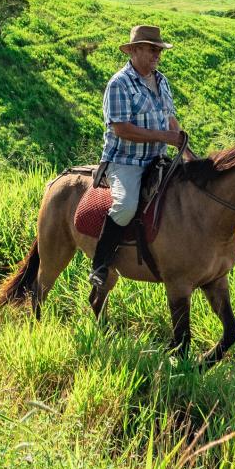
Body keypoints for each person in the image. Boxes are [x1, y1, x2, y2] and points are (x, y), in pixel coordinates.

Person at [88, 25, 194, 289]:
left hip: (158, 159)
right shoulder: (119, 84)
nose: (157, 54)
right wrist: (162, 137)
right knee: (125, 206)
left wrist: (189, 154)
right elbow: (121, 129)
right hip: (125, 161)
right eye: (151, 49)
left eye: (159, 50)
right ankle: (100, 265)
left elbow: (170, 120)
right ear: (134, 50)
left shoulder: (161, 81)